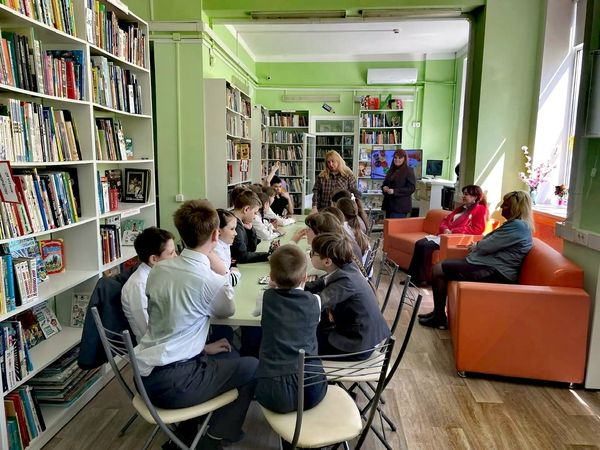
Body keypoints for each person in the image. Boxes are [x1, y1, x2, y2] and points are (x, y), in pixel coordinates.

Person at [135, 200, 258, 450]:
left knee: (227, 355)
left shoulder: (159, 270)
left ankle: (187, 436)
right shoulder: (211, 282)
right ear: (215, 235)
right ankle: (211, 442)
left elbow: (172, 321)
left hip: (144, 373)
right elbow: (227, 311)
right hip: (175, 382)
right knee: (253, 366)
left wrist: (202, 347)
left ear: (181, 235)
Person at [419, 190, 534, 330]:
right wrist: (479, 245)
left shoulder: (517, 226)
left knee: (439, 269)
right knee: (441, 267)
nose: (501, 207)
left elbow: (487, 245)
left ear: (516, 208)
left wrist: (477, 246)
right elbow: (490, 242)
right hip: (490, 266)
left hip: (497, 271)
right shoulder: (516, 225)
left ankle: (439, 318)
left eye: (506, 205)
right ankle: (437, 314)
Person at [255, 244, 327, 417]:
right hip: (312, 386)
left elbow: (256, 313)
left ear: (272, 277)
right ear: (305, 277)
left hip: (275, 391)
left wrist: (270, 287)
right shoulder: (315, 301)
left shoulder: (265, 298)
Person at [305, 233, 390, 359]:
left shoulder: (346, 281)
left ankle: (309, 371)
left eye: (313, 253)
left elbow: (316, 303)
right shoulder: (345, 267)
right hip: (360, 333)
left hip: (358, 344)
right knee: (310, 330)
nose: (310, 255)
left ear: (327, 261)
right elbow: (320, 283)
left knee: (302, 344)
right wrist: (293, 284)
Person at [406, 185, 489, 285]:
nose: (463, 196)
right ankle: (411, 277)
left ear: (475, 197)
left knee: (424, 246)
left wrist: (453, 231)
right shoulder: (461, 208)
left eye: (466, 194)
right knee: (419, 243)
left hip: (454, 239)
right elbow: (445, 220)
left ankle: (419, 279)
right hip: (444, 235)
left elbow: (477, 229)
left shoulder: (480, 209)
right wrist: (445, 229)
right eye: (463, 194)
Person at [121, 227, 176, 342]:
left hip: (168, 337)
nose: (176, 256)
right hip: (154, 346)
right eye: (171, 253)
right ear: (154, 259)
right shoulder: (138, 286)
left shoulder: (160, 274)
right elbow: (148, 331)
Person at [231, 190, 269, 264]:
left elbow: (251, 249)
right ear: (246, 209)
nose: (255, 217)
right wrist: (268, 255)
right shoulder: (235, 226)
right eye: (255, 212)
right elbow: (243, 256)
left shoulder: (241, 223)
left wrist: (250, 230)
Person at [209, 209, 241, 287]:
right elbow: (229, 281)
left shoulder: (224, 244)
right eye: (232, 229)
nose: (236, 233)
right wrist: (236, 272)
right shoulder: (216, 250)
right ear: (219, 231)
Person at [381, 148, 416, 218]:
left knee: (395, 225)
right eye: (395, 157)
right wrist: (384, 188)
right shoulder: (391, 170)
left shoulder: (408, 170)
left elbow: (411, 188)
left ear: (404, 159)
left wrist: (395, 191)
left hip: (400, 208)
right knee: (388, 225)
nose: (397, 159)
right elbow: (385, 184)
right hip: (389, 206)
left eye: (400, 158)